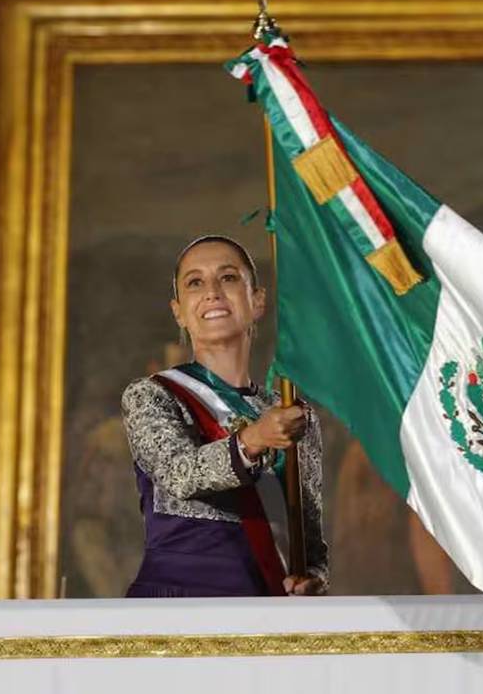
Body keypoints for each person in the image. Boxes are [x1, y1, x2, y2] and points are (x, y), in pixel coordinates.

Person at [121, 235, 328, 597]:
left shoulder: (292, 416)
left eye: (229, 277)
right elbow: (179, 474)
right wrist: (253, 440)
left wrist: (313, 576)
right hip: (180, 609)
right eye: (195, 282)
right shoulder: (151, 395)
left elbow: (307, 535)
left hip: (269, 610)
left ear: (258, 301)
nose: (212, 292)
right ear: (179, 311)